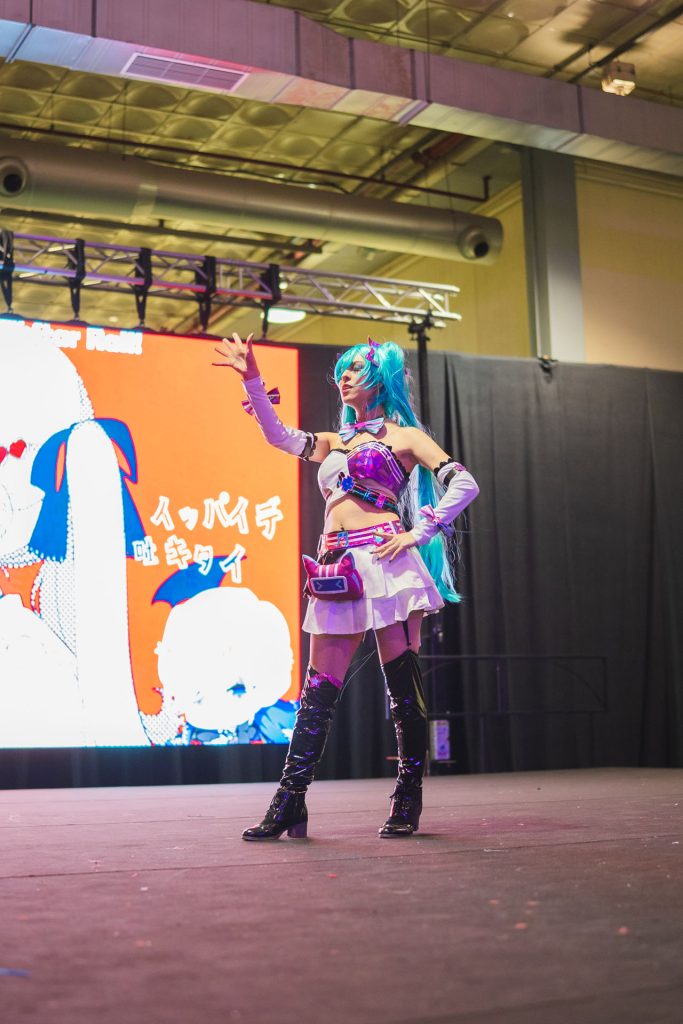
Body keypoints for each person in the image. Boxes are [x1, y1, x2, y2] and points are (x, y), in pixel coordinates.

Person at [213, 332, 479, 840]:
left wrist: (419, 531)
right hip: (336, 566)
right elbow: (279, 436)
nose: (345, 377)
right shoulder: (335, 441)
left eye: (356, 370)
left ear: (380, 379)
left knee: (402, 689)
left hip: (387, 563)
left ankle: (408, 797)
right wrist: (252, 379)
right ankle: (289, 801)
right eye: (341, 372)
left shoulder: (405, 437)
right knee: (317, 693)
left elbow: (464, 483)